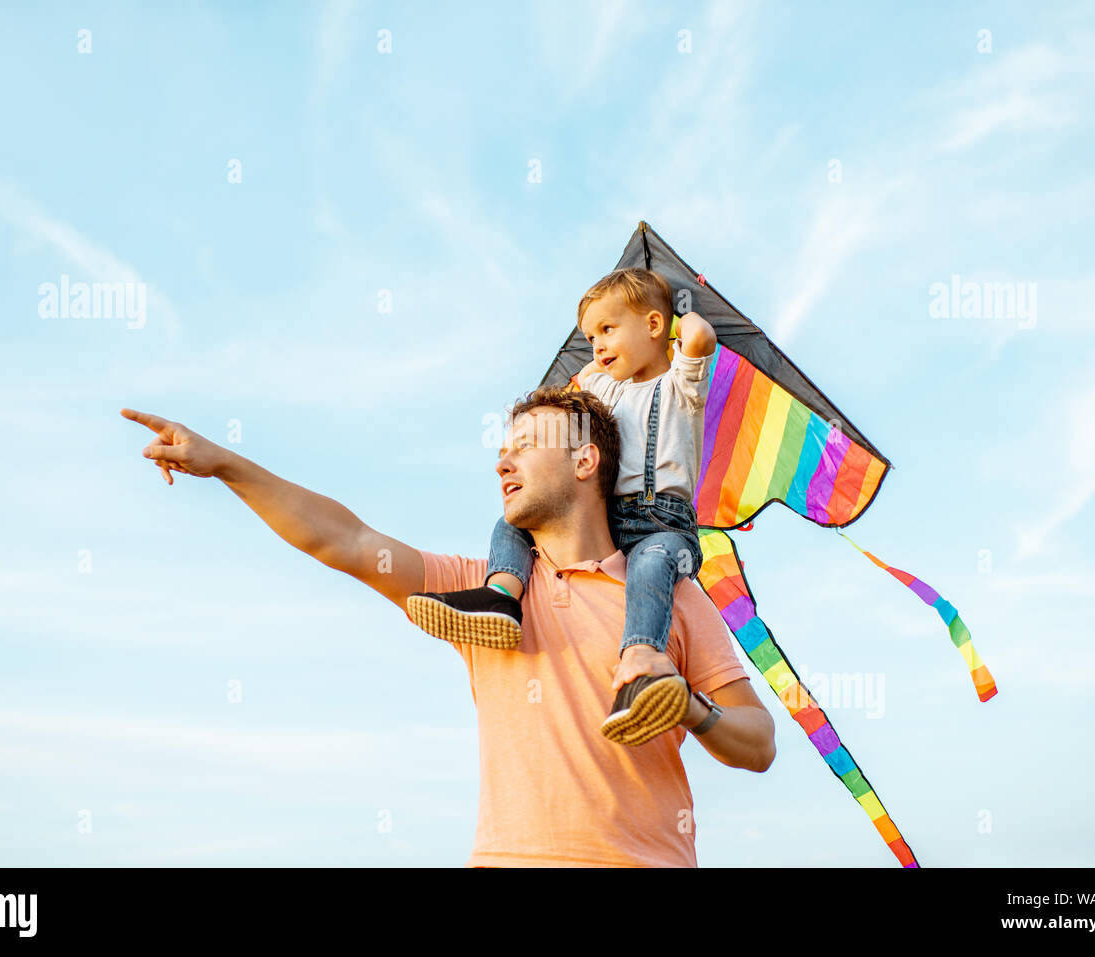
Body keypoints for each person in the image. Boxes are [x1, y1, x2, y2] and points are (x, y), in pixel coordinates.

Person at [120, 388, 775, 867]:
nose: (503, 462)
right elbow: (344, 539)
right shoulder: (482, 599)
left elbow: (760, 742)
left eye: (525, 445)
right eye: (501, 450)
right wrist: (228, 464)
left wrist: (686, 705)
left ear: (585, 462)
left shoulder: (670, 599)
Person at [406, 268, 717, 747]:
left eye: (608, 329)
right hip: (610, 519)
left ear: (655, 326)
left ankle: (642, 664)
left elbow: (699, 336)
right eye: (591, 335)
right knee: (513, 524)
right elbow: (570, 396)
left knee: (651, 567)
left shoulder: (680, 385)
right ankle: (502, 595)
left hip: (662, 524)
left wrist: (681, 303)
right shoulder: (604, 388)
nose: (596, 344)